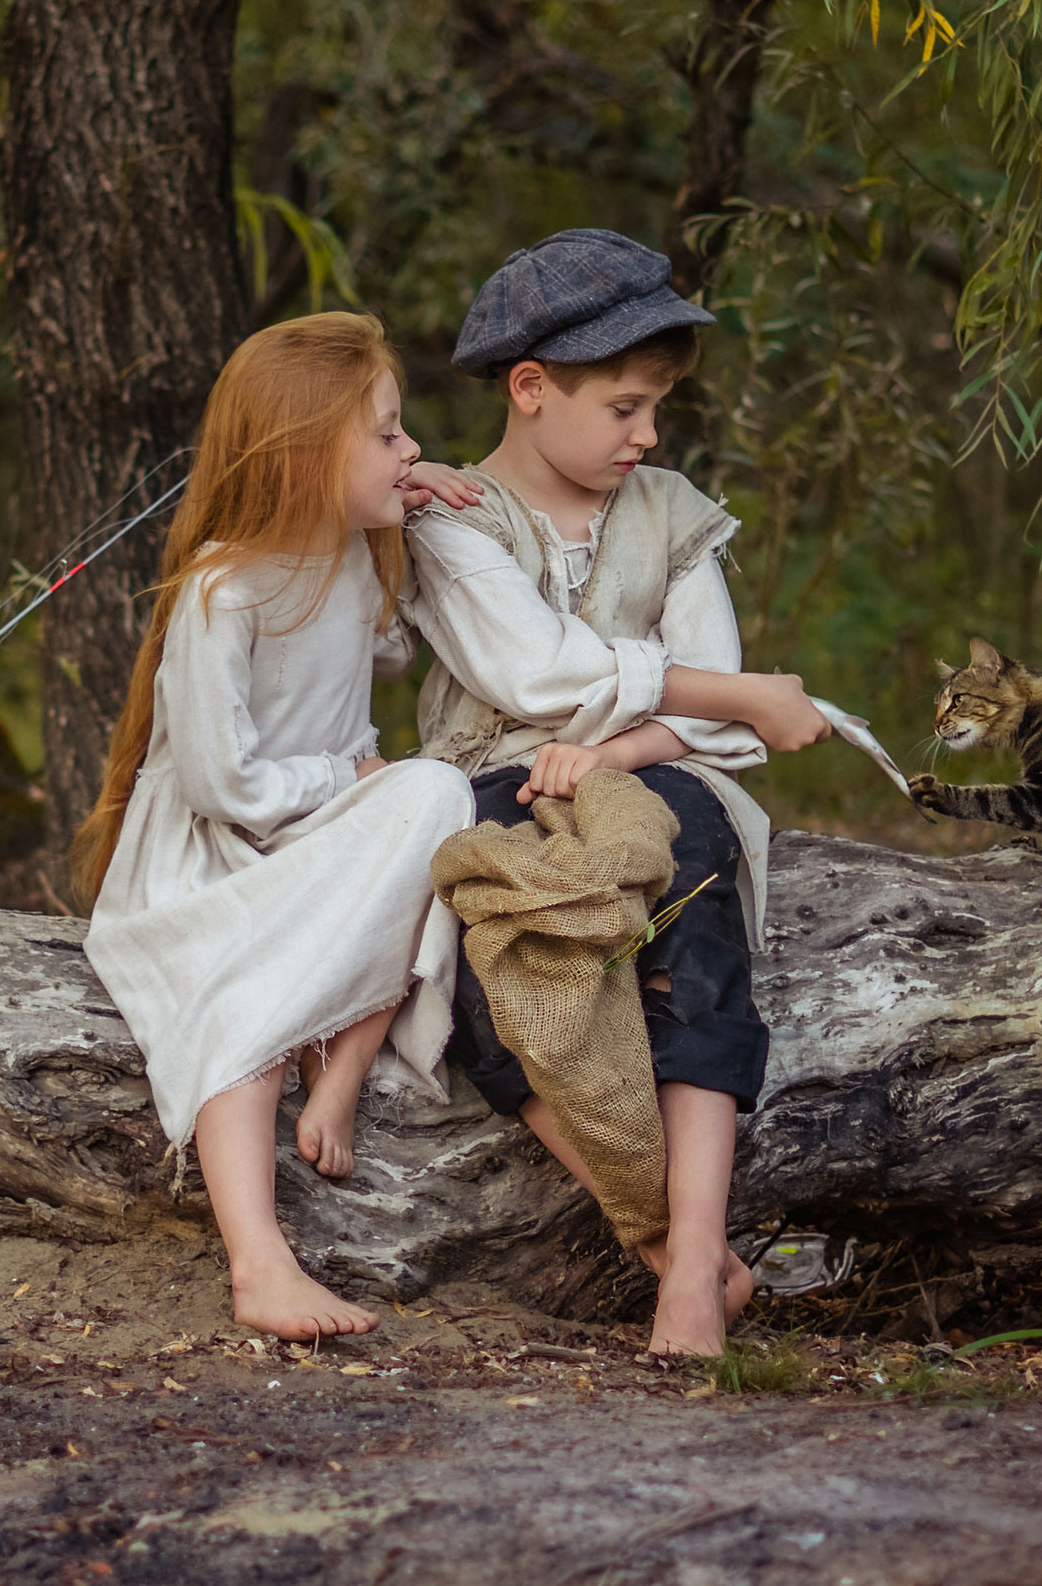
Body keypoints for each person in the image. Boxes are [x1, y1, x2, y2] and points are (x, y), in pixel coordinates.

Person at [399, 228, 832, 1357]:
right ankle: (664, 1247)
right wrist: (719, 697)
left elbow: (708, 717)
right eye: (625, 409)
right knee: (499, 971)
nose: (647, 437)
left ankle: (693, 1262)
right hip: (494, 785)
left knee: (690, 945)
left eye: (656, 412)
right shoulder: (451, 519)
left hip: (660, 778)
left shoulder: (672, 514)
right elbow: (536, 672)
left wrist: (623, 753)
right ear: (532, 389)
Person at [77, 311, 474, 1343]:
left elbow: (378, 661)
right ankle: (261, 1264)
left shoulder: (351, 554)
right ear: (305, 457)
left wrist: (416, 516)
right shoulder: (221, 587)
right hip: (215, 847)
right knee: (240, 1001)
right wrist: (346, 772)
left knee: (439, 797)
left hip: (309, 830)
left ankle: (336, 1074)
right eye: (386, 437)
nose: (411, 451)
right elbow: (223, 786)